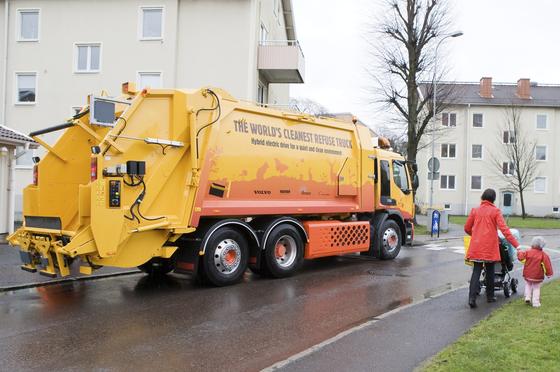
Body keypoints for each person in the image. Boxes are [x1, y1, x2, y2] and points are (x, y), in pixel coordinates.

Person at [464, 188, 520, 308]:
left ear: (483, 197)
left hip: (477, 246)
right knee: (490, 270)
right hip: (489, 247)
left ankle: (471, 299)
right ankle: (490, 296)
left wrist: (475, 236)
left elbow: (467, 228)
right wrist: (517, 245)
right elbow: (505, 230)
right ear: (493, 199)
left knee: (476, 271)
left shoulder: (475, 210)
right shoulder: (495, 211)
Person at [517, 236, 554, 308]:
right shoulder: (543, 255)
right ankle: (536, 302)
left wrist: (519, 252)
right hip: (537, 276)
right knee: (536, 288)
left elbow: (522, 258)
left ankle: (527, 297)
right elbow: (547, 266)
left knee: (528, 285)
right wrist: (549, 274)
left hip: (527, 274)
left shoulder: (527, 252)